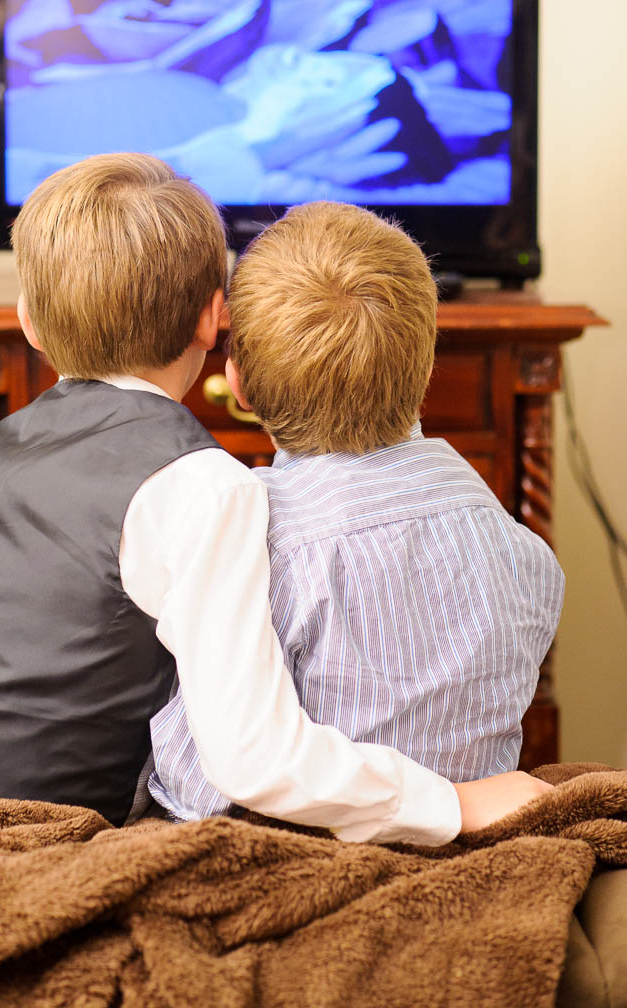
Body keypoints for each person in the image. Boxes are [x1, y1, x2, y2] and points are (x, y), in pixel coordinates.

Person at [0, 155, 552, 842]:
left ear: (27, 320)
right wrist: (450, 802)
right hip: (18, 829)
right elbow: (252, 755)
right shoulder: (209, 488)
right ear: (212, 322)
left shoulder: (4, 448)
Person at [150, 200, 564, 822]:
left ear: (237, 386)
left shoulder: (252, 547)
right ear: (426, 368)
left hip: (297, 865)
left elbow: (201, 791)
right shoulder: (527, 558)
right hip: (467, 856)